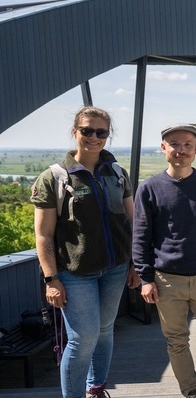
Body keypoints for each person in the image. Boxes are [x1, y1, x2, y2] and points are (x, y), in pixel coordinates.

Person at [30, 106, 140, 398]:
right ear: (75, 132)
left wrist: (136, 264)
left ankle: (97, 388)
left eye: (100, 132)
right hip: (74, 273)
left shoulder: (117, 173)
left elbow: (133, 223)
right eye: (87, 131)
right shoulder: (54, 177)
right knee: (82, 338)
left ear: (107, 136)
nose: (93, 137)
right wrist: (51, 279)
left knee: (105, 330)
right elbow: (43, 235)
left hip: (116, 267)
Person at [132, 124, 196, 398]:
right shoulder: (149, 188)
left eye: (188, 144)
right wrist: (145, 278)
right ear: (164, 148)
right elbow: (140, 237)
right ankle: (193, 393)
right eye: (174, 144)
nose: (181, 150)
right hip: (166, 279)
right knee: (177, 342)